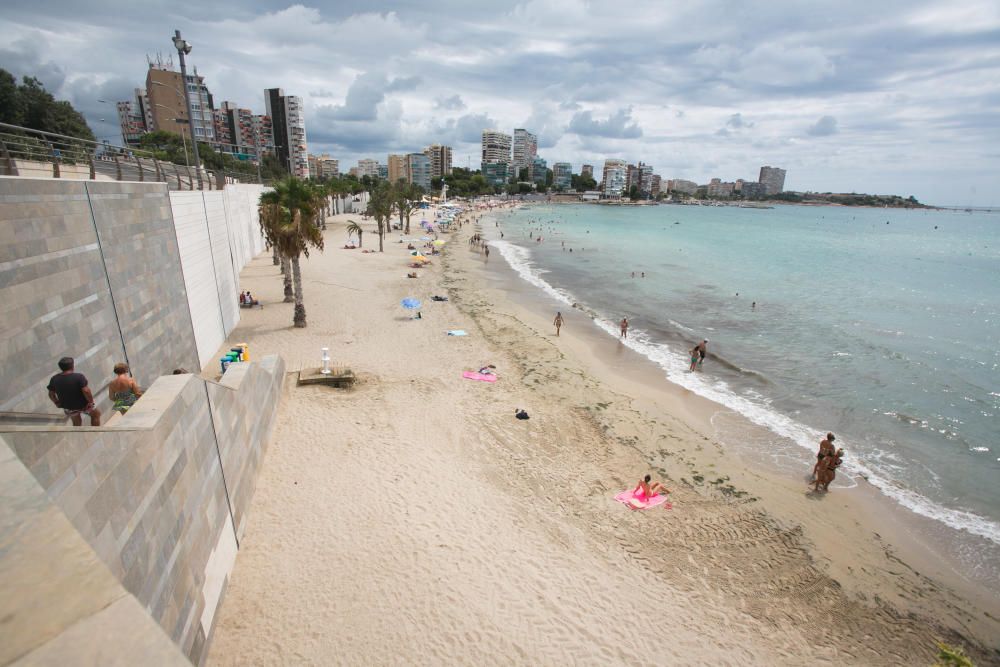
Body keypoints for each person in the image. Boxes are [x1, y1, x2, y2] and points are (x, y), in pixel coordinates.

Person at [46, 357, 101, 426]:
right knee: (96, 415)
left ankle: (78, 434)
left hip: (68, 407)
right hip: (84, 405)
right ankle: (95, 431)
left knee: (76, 421)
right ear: (72, 366)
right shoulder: (79, 377)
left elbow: (51, 394)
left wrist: (56, 402)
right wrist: (90, 402)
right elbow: (86, 391)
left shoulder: (54, 379)